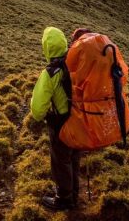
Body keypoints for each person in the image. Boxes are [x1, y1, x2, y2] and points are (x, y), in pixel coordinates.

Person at [30, 27, 81, 210]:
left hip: (61, 124)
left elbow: (37, 111)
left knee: (61, 161)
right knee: (74, 158)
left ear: (46, 48)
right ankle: (74, 195)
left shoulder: (51, 73)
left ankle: (64, 199)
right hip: (79, 120)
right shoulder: (75, 64)